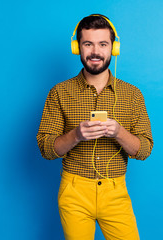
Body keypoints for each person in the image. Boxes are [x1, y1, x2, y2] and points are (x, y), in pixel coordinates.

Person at [37, 14, 153, 240]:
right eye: (88, 44)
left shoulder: (132, 95)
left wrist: (119, 132)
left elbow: (144, 149)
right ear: (77, 47)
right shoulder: (59, 92)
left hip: (115, 192)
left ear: (113, 48)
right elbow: (46, 149)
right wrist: (75, 135)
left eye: (103, 44)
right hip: (74, 191)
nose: (95, 52)